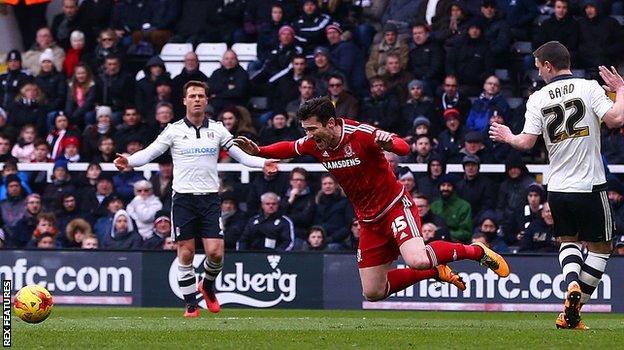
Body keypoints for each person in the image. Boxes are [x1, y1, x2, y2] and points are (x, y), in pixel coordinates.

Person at [234, 96, 509, 304]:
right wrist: (259, 150)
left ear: (330, 123)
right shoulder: (315, 144)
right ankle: (435, 272)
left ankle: (477, 251)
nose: (308, 136)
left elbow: (402, 146)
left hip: (394, 207)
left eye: (312, 129)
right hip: (368, 220)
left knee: (417, 259)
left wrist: (390, 143)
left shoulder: (361, 135)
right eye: (305, 130)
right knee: (374, 292)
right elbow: (288, 148)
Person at [114, 80, 278, 318]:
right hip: (183, 199)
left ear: (207, 100)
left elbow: (241, 156)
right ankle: (191, 304)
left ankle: (208, 286)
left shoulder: (218, 129)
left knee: (215, 253)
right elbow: (150, 153)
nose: (197, 99)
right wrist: (129, 160)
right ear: (184, 101)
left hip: (210, 199)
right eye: (192, 96)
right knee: (187, 253)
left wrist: (264, 163)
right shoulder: (173, 130)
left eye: (201, 95)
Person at [489, 41, 624, 330]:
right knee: (601, 249)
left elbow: (525, 142)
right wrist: (622, 90)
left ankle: (571, 288)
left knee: (568, 242)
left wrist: (507, 135)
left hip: (558, 187)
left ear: (549, 66)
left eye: (539, 67)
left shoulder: (537, 98)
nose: (538, 74)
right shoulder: (589, 88)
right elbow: (616, 119)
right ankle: (574, 303)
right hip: (591, 184)